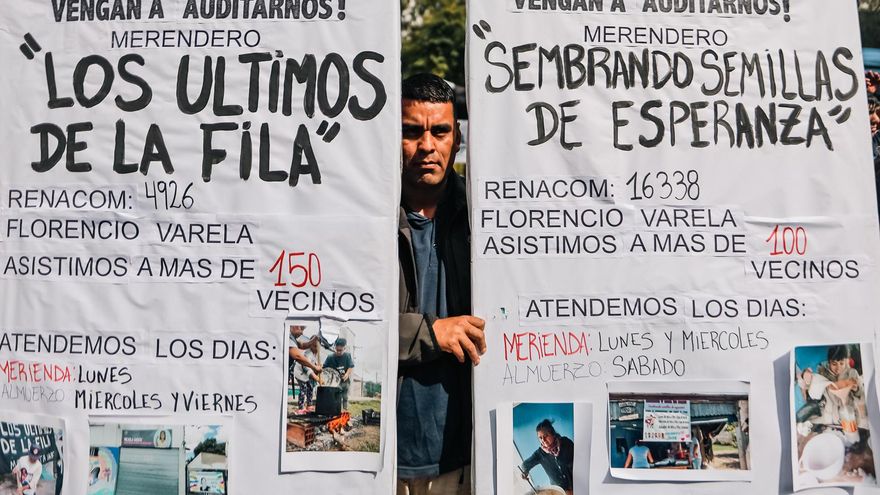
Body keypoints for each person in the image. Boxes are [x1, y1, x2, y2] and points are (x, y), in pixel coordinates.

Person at [396, 73, 486, 495]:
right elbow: (340, 323)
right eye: (411, 131)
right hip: (377, 462)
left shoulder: (487, 216)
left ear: (457, 136)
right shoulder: (363, 220)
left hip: (466, 459)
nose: (427, 146)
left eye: (440, 131)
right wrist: (430, 333)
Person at [798, 345, 863, 425]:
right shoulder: (822, 372)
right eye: (834, 364)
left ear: (846, 361)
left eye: (841, 363)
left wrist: (856, 389)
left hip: (850, 414)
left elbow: (861, 394)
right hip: (830, 417)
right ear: (829, 362)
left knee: (853, 434)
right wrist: (805, 375)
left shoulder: (852, 373)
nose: (838, 368)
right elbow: (809, 385)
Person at [519, 420, 574, 492]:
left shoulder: (565, 442)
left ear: (553, 434)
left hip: (575, 484)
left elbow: (578, 457)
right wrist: (524, 472)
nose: (543, 440)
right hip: (558, 490)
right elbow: (525, 465)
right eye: (540, 438)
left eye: (546, 436)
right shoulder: (539, 454)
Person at [323, 338, 354, 410]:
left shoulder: (347, 356)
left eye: (341, 350)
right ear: (335, 347)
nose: (339, 352)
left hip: (345, 381)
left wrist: (347, 374)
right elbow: (324, 368)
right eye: (337, 350)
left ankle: (345, 411)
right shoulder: (330, 357)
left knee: (345, 397)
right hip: (335, 383)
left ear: (344, 348)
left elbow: (350, 366)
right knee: (336, 398)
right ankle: (336, 411)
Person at [294, 337, 322, 412]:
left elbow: (314, 364)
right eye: (314, 346)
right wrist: (315, 377)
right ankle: (301, 407)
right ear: (310, 345)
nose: (316, 348)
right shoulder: (307, 353)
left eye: (317, 347)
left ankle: (309, 404)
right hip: (300, 373)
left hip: (307, 375)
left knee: (310, 388)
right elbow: (305, 367)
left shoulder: (316, 353)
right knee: (303, 389)